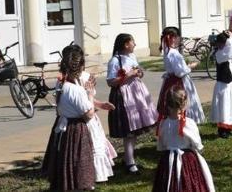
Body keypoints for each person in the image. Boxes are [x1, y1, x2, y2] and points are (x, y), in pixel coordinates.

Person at [42, 44, 97, 191]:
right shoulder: (76, 90)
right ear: (80, 67)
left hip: (65, 131)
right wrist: (90, 96)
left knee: (66, 163)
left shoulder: (61, 85)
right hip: (76, 130)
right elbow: (89, 115)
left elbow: (59, 111)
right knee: (77, 166)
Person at [106, 33, 158, 174]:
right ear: (126, 44)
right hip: (124, 96)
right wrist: (128, 75)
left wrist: (139, 73)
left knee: (134, 130)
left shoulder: (132, 57)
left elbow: (138, 71)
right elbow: (110, 81)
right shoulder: (115, 61)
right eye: (132, 42)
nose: (134, 44)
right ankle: (129, 162)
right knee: (129, 131)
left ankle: (130, 158)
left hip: (136, 93)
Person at [152, 88, 215, 192]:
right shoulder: (188, 123)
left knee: (167, 184)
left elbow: (161, 145)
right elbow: (197, 144)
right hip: (187, 160)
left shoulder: (163, 124)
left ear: (167, 104)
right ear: (184, 104)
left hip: (168, 160)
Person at [77, 64, 117, 184]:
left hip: (91, 117)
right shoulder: (68, 81)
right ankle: (88, 176)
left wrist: (100, 104)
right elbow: (84, 99)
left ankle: (98, 175)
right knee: (90, 146)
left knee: (96, 144)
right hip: (83, 118)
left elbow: (90, 98)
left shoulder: (86, 76)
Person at [157, 26, 205, 124]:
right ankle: (184, 122)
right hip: (178, 81)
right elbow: (179, 72)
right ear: (173, 38)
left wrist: (185, 67)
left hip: (171, 80)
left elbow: (176, 69)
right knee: (181, 100)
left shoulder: (167, 51)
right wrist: (190, 67)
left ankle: (176, 122)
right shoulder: (173, 53)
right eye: (178, 37)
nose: (179, 40)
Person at [211, 31, 232, 138]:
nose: (222, 45)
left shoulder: (227, 56)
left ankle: (229, 127)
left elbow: (231, 51)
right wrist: (231, 38)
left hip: (230, 84)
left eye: (223, 43)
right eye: (220, 43)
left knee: (231, 106)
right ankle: (222, 129)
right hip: (223, 86)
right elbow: (231, 49)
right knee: (223, 107)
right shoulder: (220, 54)